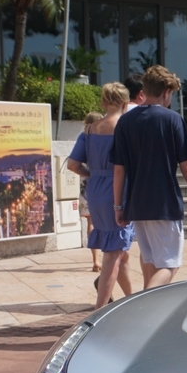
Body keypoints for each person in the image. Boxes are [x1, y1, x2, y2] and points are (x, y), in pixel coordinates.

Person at [111, 65, 187, 290]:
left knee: (150, 260)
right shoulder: (172, 119)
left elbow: (119, 169)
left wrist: (118, 206)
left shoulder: (125, 122)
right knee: (170, 265)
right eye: (171, 95)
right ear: (166, 92)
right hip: (165, 204)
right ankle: (143, 303)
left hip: (137, 204)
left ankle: (148, 311)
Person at [68, 85, 134, 309]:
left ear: (103, 102)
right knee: (113, 254)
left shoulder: (88, 131)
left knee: (120, 253)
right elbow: (123, 167)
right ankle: (99, 310)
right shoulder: (124, 128)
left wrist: (94, 174)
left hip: (95, 189)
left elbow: (73, 164)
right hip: (117, 191)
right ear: (125, 103)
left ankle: (132, 299)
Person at [79, 111, 104, 272]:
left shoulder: (82, 139)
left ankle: (95, 259)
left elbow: (75, 163)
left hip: (84, 185)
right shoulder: (100, 139)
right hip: (101, 183)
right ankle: (105, 255)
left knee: (91, 223)